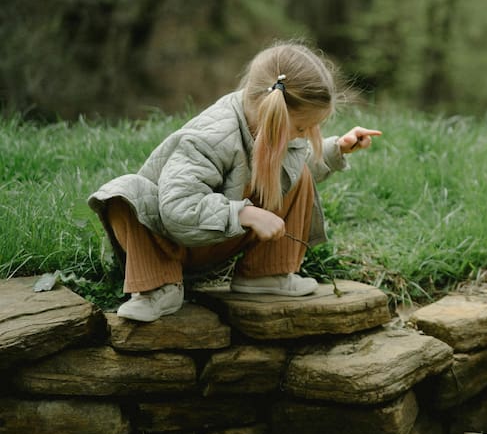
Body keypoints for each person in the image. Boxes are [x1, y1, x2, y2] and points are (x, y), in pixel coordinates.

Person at [89, 41, 382, 322]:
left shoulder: (269, 130)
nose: (305, 135)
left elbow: (296, 167)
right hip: (169, 240)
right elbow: (177, 208)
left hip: (217, 240)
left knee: (300, 171)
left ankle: (266, 272)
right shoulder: (213, 136)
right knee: (123, 193)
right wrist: (244, 213)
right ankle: (157, 287)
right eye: (301, 127)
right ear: (273, 112)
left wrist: (337, 148)